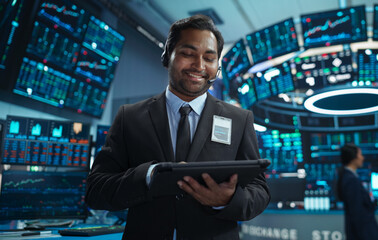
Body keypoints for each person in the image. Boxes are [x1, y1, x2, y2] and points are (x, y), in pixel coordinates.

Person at [85, 15, 270, 239]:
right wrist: (150, 176)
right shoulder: (130, 117)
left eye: (209, 58)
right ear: (167, 57)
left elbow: (260, 190)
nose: (199, 66)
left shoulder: (239, 119)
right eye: (188, 54)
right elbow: (96, 191)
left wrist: (228, 200)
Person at [337, 143, 378, 240]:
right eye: (360, 155)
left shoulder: (349, 177)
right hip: (364, 233)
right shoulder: (351, 180)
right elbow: (357, 213)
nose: (362, 158)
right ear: (353, 158)